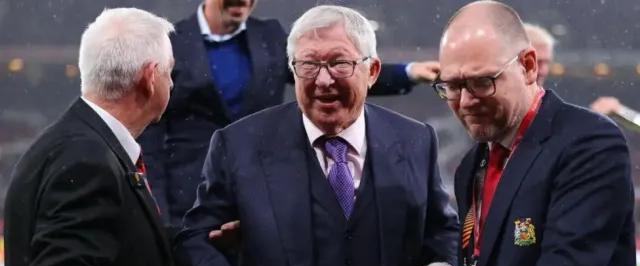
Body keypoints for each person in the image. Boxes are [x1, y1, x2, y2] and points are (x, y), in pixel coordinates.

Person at [173, 5, 459, 266]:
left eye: (340, 63)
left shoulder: (416, 140)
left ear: (371, 71)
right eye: (308, 65)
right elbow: (195, 239)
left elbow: (442, 230)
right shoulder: (239, 145)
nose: (323, 80)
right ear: (292, 70)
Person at [375, 1, 640, 266]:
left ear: (529, 66)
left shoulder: (588, 142)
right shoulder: (474, 164)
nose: (466, 101)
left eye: (482, 82)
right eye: (452, 86)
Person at [0, 8, 255, 266]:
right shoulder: (87, 160)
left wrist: (207, 239)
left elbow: (118, 241)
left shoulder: (76, 142)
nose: (172, 82)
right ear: (151, 78)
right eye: (170, 73)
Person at [138, 0, 443, 232]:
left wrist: (408, 72)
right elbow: (152, 135)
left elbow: (333, 75)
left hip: (261, 184)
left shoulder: (268, 36)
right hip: (192, 192)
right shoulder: (173, 41)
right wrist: (159, 212)